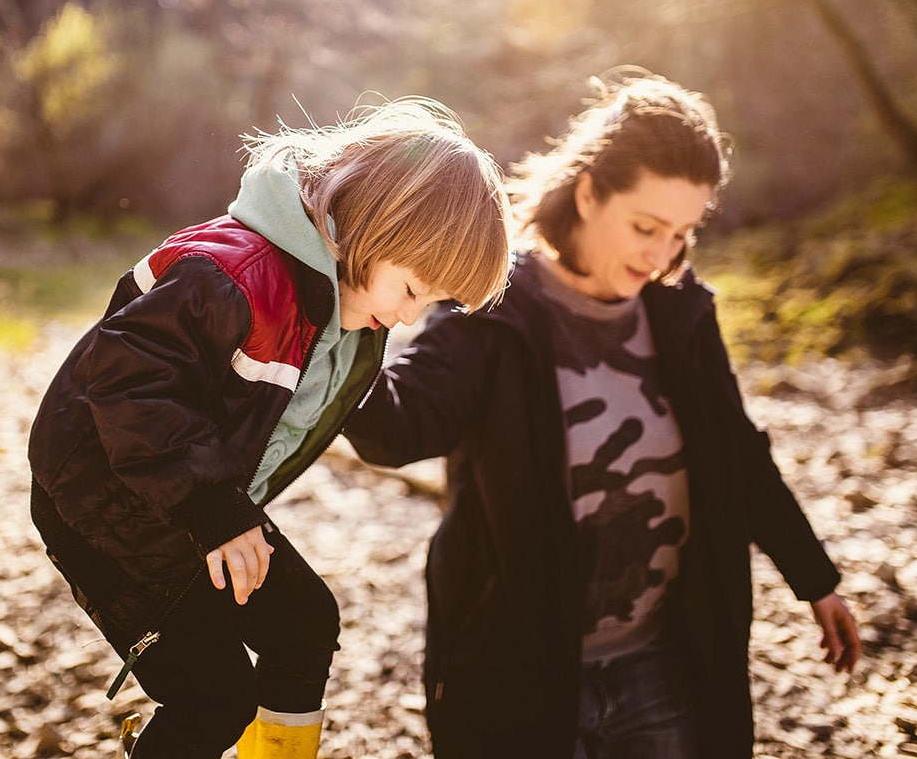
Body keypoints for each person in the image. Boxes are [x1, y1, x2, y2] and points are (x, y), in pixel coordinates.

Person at [344, 70, 862, 759]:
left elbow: (737, 452)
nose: (662, 254)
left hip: (663, 665)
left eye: (681, 233)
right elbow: (397, 426)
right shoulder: (492, 308)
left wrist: (816, 579)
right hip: (519, 675)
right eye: (646, 227)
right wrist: (338, 314)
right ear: (587, 193)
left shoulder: (680, 311)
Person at [27, 97, 511, 759]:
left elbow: (384, 427)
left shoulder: (348, 321)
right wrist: (214, 509)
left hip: (201, 507)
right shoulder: (234, 273)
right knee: (213, 698)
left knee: (305, 623)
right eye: (411, 291)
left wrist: (495, 394)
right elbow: (126, 386)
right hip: (104, 504)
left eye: (430, 306)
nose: (408, 319)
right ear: (376, 229)